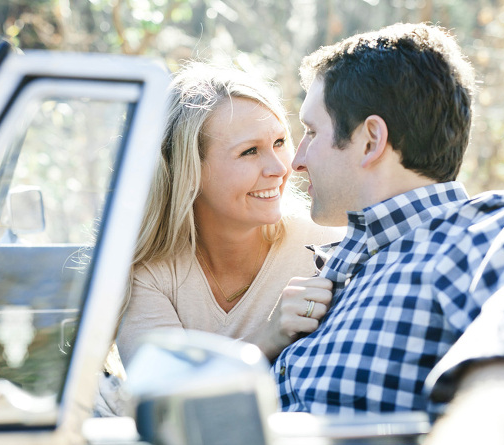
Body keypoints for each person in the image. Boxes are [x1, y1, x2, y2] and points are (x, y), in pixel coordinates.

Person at [272, 23, 504, 445]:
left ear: (371, 139)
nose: (296, 160)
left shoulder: (483, 229)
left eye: (311, 132)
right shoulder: (337, 269)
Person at [115, 62, 343, 367]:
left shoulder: (326, 249)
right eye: (249, 151)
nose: (279, 168)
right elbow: (164, 393)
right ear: (188, 171)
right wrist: (267, 338)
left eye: (279, 143)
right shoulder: (147, 272)